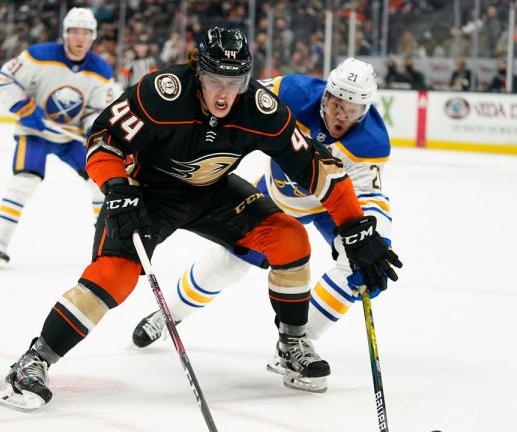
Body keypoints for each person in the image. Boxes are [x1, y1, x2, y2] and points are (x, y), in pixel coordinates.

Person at [0, 28, 401, 412]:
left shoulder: (259, 108)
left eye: (235, 82)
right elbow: (103, 139)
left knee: (290, 237)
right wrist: (117, 188)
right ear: (197, 72)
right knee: (114, 275)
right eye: (216, 81)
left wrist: (353, 225)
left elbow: (316, 165)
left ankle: (292, 347)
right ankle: (34, 361)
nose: (225, 95)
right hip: (147, 193)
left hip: (213, 190)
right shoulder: (161, 93)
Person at [131, 58, 396, 393]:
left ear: (366, 110)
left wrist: (367, 235)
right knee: (229, 262)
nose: (341, 115)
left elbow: (369, 195)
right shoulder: (295, 91)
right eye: (336, 104)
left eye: (353, 110)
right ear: (325, 95)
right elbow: (241, 98)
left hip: (332, 205)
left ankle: (295, 345)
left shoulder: (372, 141)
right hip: (278, 196)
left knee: (371, 261)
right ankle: (168, 315)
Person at [0, 8, 117, 269]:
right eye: (75, 31)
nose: (80, 38)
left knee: (101, 183)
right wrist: (24, 107)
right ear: (65, 33)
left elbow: (98, 110)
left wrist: (91, 129)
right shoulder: (38, 55)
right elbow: (4, 80)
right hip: (34, 132)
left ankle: (107, 246)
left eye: (86, 33)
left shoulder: (101, 70)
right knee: (24, 181)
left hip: (70, 138)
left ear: (93, 37)